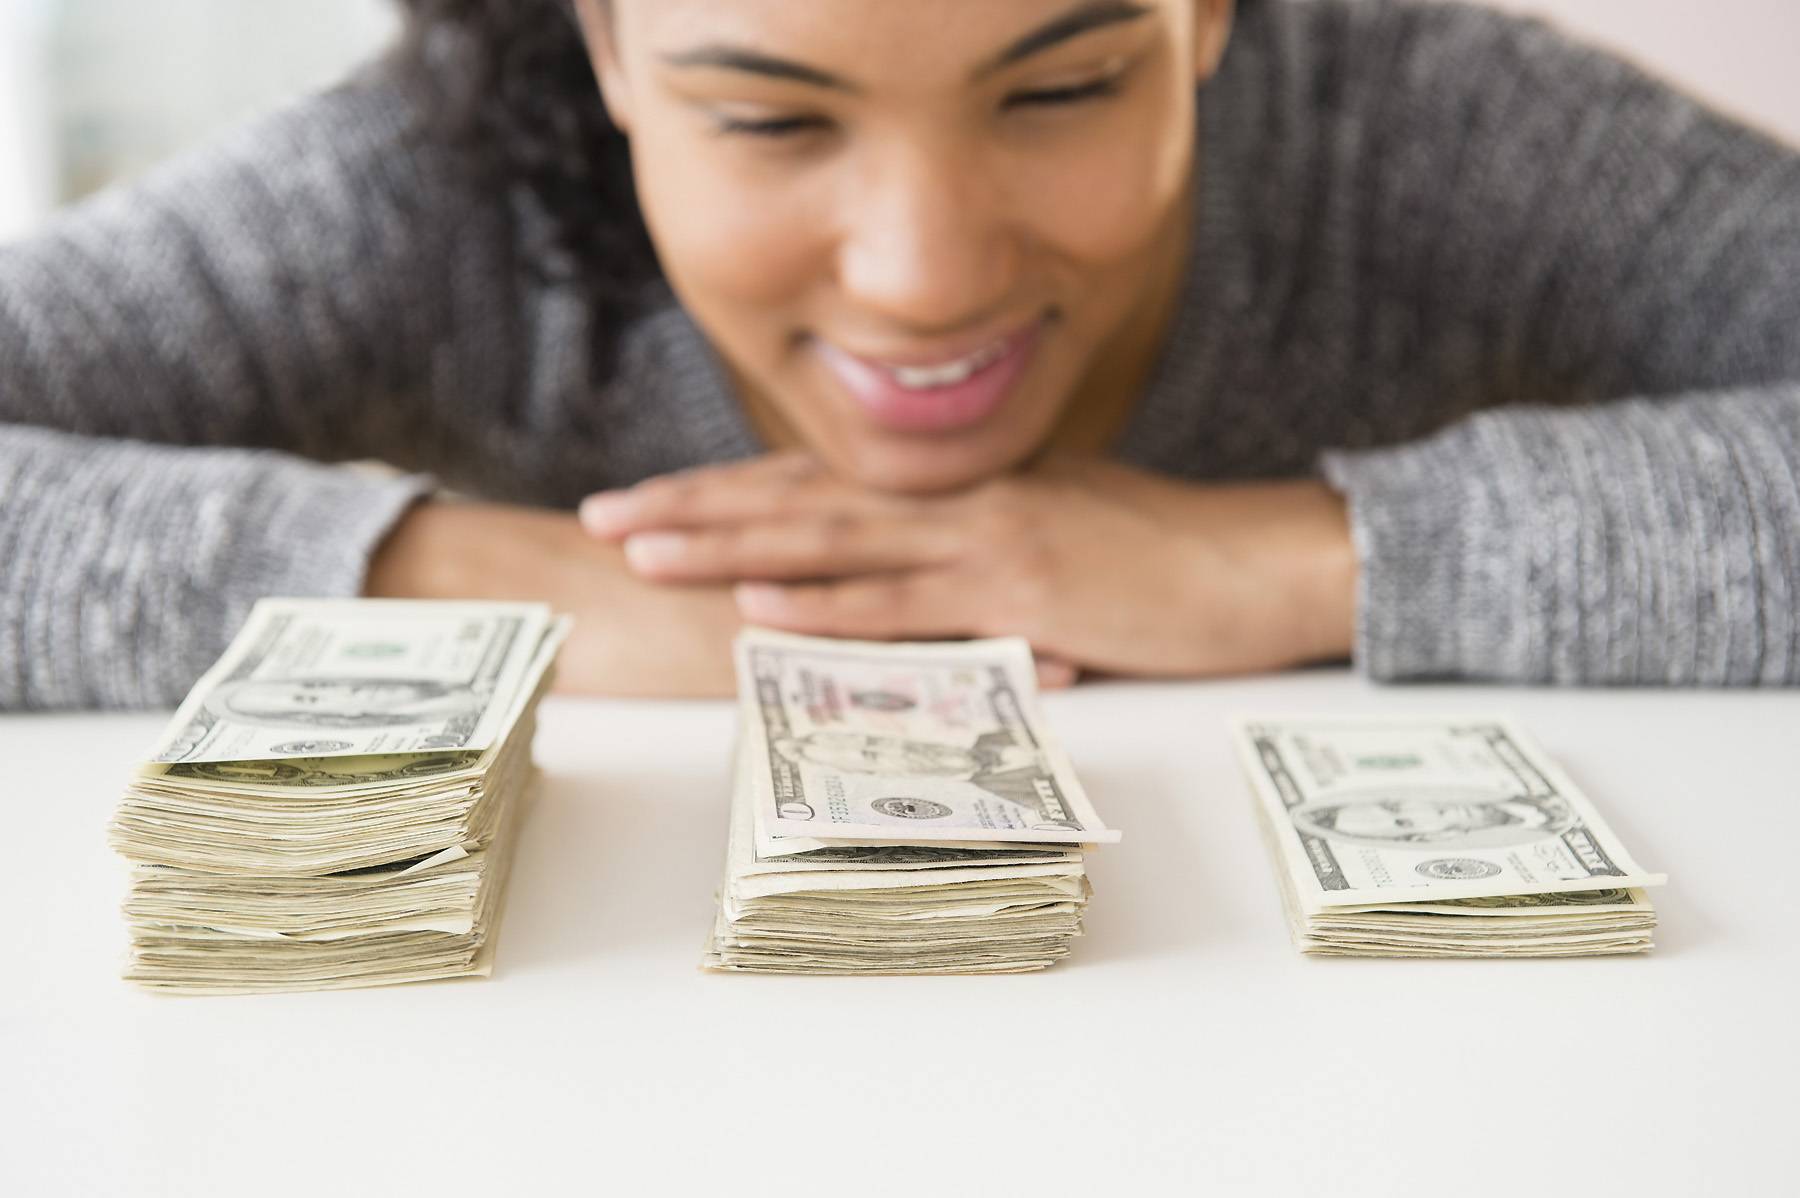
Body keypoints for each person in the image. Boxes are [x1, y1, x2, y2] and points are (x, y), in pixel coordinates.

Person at [2, 0, 1796, 710]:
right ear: (609, 51)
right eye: (771, 123)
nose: (925, 275)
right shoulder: (444, 180)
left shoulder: (1410, 124)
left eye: (1067, 86)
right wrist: (498, 585)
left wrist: (1289, 557)